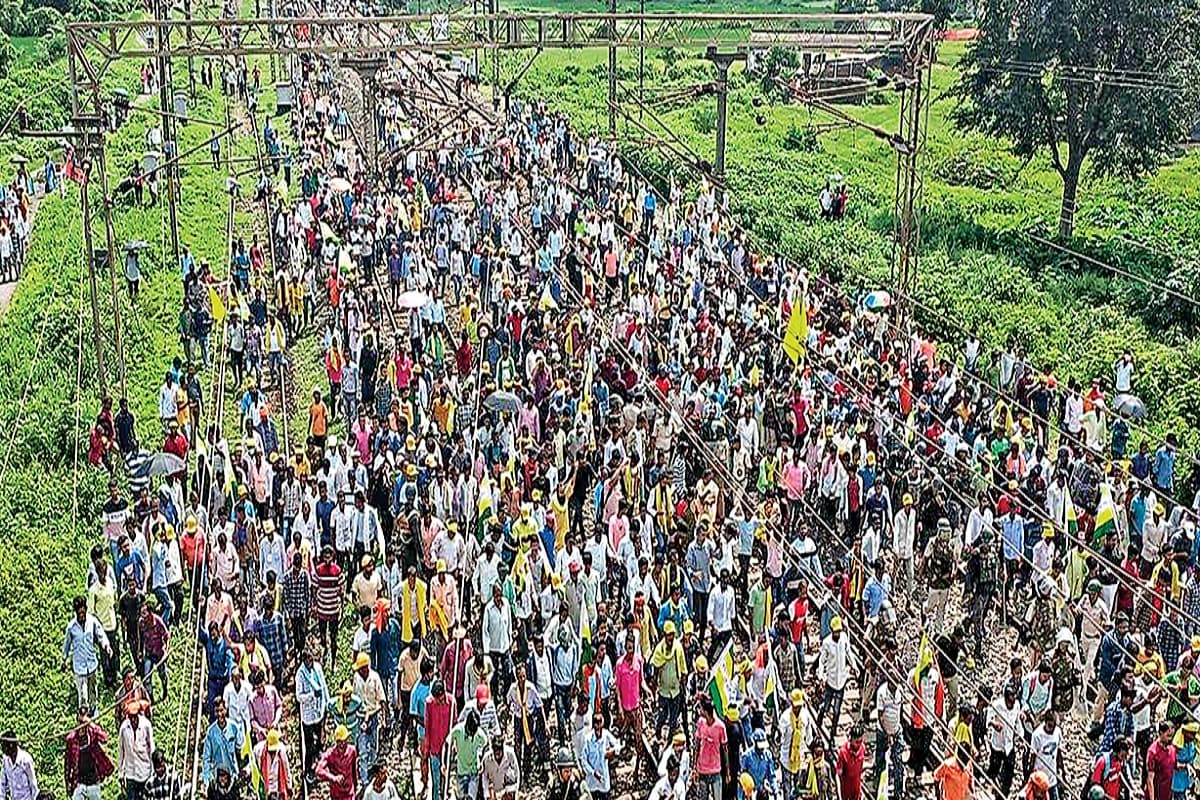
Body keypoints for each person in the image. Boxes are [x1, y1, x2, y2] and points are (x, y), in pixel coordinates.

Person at [63, 595, 113, 713]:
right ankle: (84, 717)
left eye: (83, 612)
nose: (82, 616)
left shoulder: (92, 621)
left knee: (92, 691)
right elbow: (67, 645)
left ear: (85, 610)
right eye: (79, 613)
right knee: (83, 695)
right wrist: (64, 659)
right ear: (76, 613)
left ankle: (94, 712)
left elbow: (100, 634)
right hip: (79, 667)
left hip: (91, 664)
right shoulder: (71, 628)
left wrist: (107, 646)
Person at [65, 711, 114, 800]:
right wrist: (67, 782)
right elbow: (67, 764)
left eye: (84, 724)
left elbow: (105, 738)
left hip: (93, 780)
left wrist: (92, 724)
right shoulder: (71, 739)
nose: (82, 727)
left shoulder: (92, 734)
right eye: (80, 723)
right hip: (79, 782)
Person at [117, 701, 154, 800]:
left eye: (135, 716)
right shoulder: (124, 728)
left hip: (145, 772)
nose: (133, 720)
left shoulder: (146, 725)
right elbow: (121, 751)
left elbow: (152, 748)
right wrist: (121, 772)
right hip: (130, 773)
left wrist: (152, 770)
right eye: (131, 717)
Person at [315, 725, 358, 800]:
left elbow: (354, 770)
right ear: (336, 742)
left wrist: (355, 786)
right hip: (336, 795)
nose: (343, 744)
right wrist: (333, 778)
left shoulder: (352, 751)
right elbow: (318, 770)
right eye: (340, 742)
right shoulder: (330, 754)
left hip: (349, 794)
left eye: (345, 741)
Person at [0, 731, 38, 800]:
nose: (2, 748)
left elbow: (33, 784)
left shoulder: (26, 759)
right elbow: (2, 783)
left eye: (4, 745)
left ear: (11, 745)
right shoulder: (5, 760)